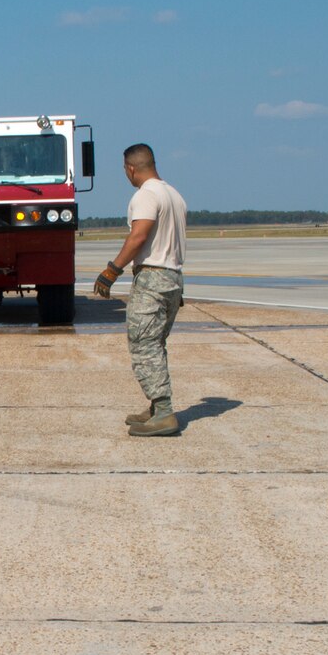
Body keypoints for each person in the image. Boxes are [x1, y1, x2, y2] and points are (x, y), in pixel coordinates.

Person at [90, 144, 187, 437]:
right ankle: (158, 407)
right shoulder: (174, 195)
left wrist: (111, 271)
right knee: (155, 343)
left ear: (131, 168)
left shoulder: (145, 195)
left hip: (152, 279)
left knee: (144, 344)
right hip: (173, 278)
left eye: (124, 170)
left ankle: (165, 412)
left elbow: (138, 236)